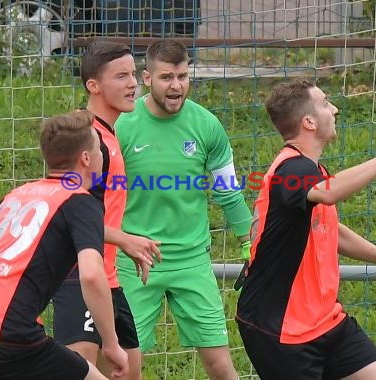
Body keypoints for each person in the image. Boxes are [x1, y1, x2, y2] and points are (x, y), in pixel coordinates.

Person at [235, 79, 376, 379]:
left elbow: (331, 230)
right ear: (309, 122)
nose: (335, 108)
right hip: (280, 329)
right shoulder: (290, 170)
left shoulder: (311, 173)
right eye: (326, 102)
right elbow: (331, 192)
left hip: (326, 321)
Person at [0, 110, 128, 380]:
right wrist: (111, 345)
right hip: (10, 338)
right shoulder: (80, 201)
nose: (103, 156)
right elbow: (90, 274)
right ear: (86, 158)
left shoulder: (15, 197)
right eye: (99, 150)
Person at [114, 39, 252, 380]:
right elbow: (96, 197)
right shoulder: (121, 126)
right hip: (134, 261)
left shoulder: (206, 126)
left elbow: (228, 192)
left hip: (192, 261)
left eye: (182, 76)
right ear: (147, 79)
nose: (176, 85)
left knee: (221, 365)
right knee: (123, 366)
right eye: (166, 77)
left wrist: (250, 241)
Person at [51, 41, 161, 380]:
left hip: (107, 279)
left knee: (131, 372)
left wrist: (120, 242)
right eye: (121, 76)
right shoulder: (85, 142)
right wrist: (124, 239)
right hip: (78, 277)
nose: (133, 84)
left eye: (133, 75)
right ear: (93, 85)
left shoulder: (110, 136)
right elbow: (62, 209)